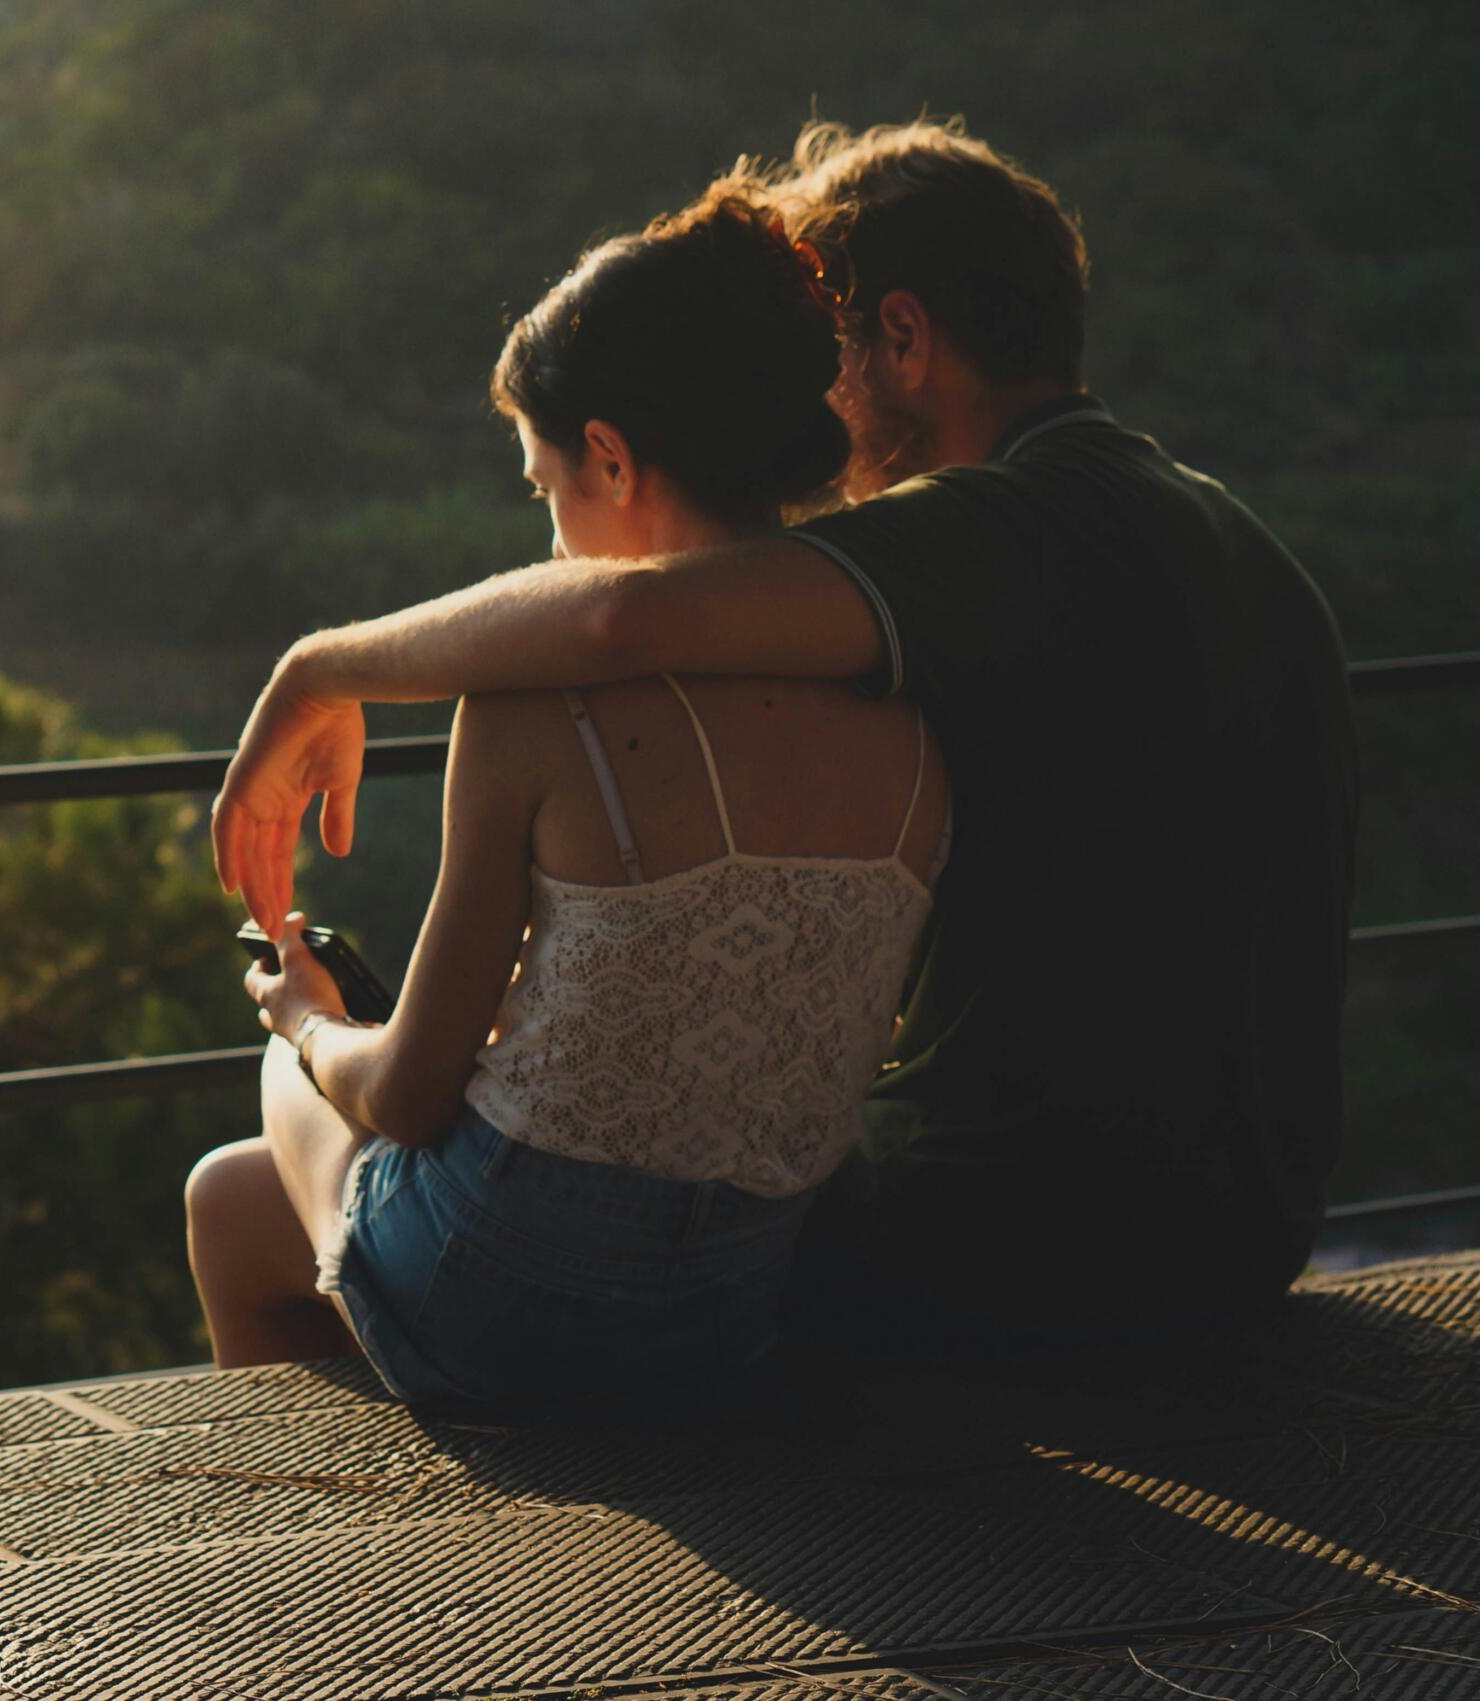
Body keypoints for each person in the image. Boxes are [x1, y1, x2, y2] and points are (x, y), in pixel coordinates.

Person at [208, 119, 1359, 1365]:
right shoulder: (1233, 539)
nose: (810, 403)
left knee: (273, 1190)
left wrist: (317, 665)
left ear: (905, 340)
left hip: (1015, 1246)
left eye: (829, 356)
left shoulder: (993, 533)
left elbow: (619, 614)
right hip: (1246, 1231)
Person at [183, 183, 950, 1408]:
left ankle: (308, 1545)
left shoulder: (541, 710)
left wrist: (304, 1020)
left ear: (610, 455)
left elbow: (406, 1095)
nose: (545, 547)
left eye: (546, 490)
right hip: (743, 1308)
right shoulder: (905, 704)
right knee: (245, 1187)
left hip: (512, 1303)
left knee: (256, 1142)